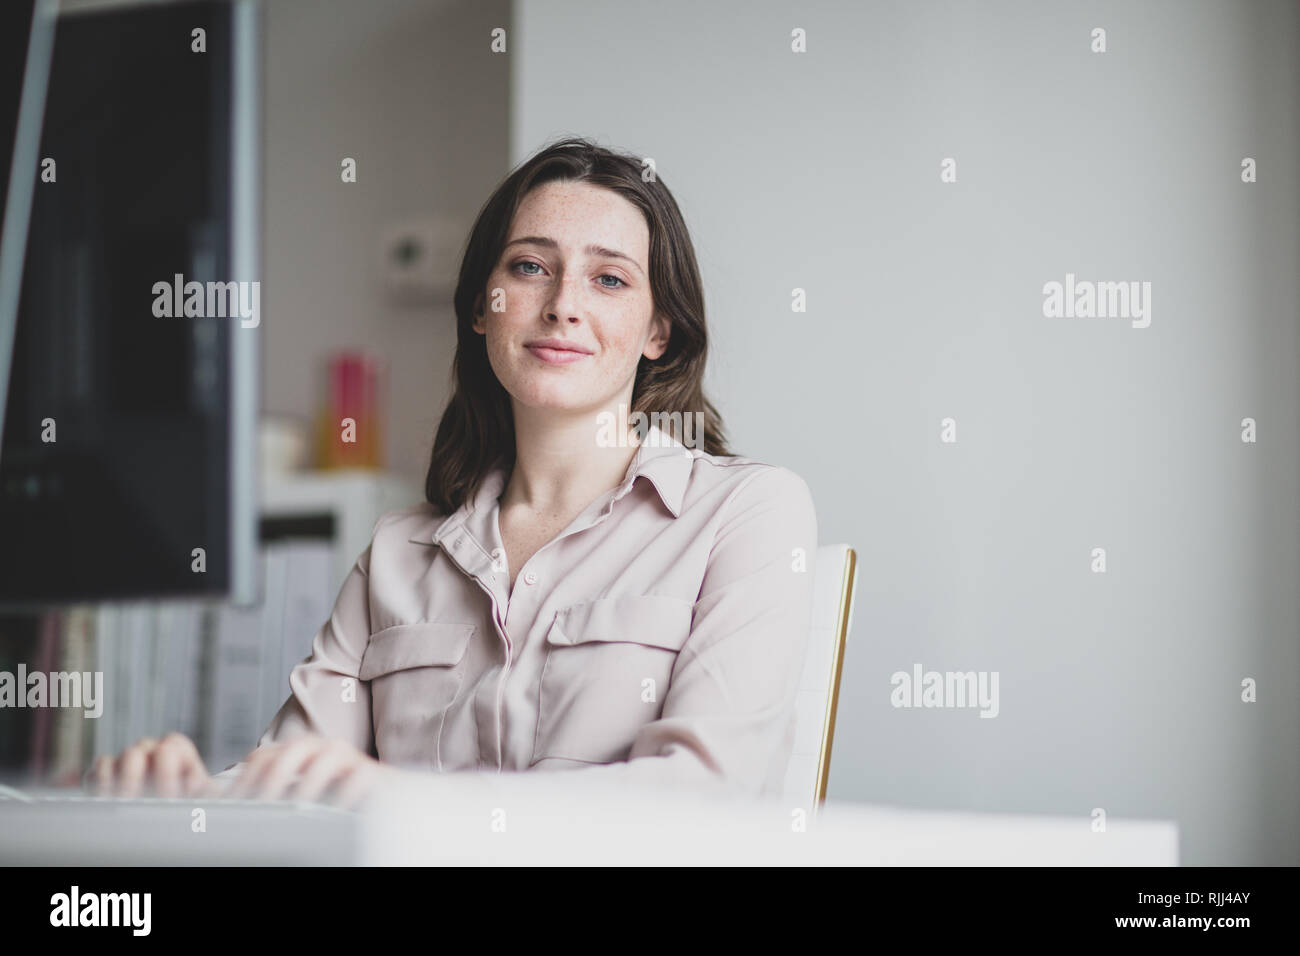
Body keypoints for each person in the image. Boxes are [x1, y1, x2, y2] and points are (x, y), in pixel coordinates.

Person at [89, 137, 819, 808]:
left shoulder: (750, 513)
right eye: (530, 267)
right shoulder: (397, 555)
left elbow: (700, 797)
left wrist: (416, 806)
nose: (564, 305)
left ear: (660, 330)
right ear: (482, 307)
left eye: (609, 279)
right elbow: (293, 782)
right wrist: (176, 797)